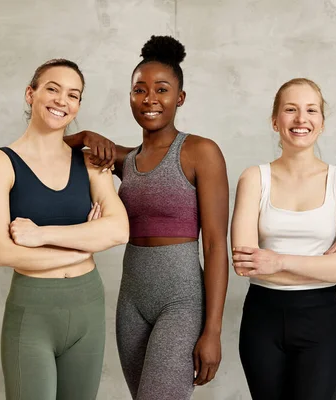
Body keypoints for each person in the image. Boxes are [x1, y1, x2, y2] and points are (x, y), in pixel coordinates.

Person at [64, 35, 229, 399]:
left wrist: (213, 331)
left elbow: (217, 246)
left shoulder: (200, 152)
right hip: (132, 302)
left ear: (180, 98)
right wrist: (87, 135)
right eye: (139, 90)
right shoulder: (125, 160)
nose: (150, 99)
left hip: (182, 300)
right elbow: (57, 147)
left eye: (162, 89)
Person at [0, 59, 129, 400]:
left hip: (88, 305)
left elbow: (119, 230)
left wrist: (42, 235)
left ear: (77, 107)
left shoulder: (91, 162)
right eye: (52, 89)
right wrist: (86, 245)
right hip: (34, 310)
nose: (62, 100)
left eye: (73, 95)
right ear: (30, 94)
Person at [230, 78, 336, 400]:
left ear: (321, 121)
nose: (300, 119)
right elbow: (245, 264)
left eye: (311, 110)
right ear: (275, 120)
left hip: (321, 320)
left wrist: (277, 261)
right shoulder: (254, 178)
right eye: (290, 110)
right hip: (262, 319)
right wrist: (325, 264)